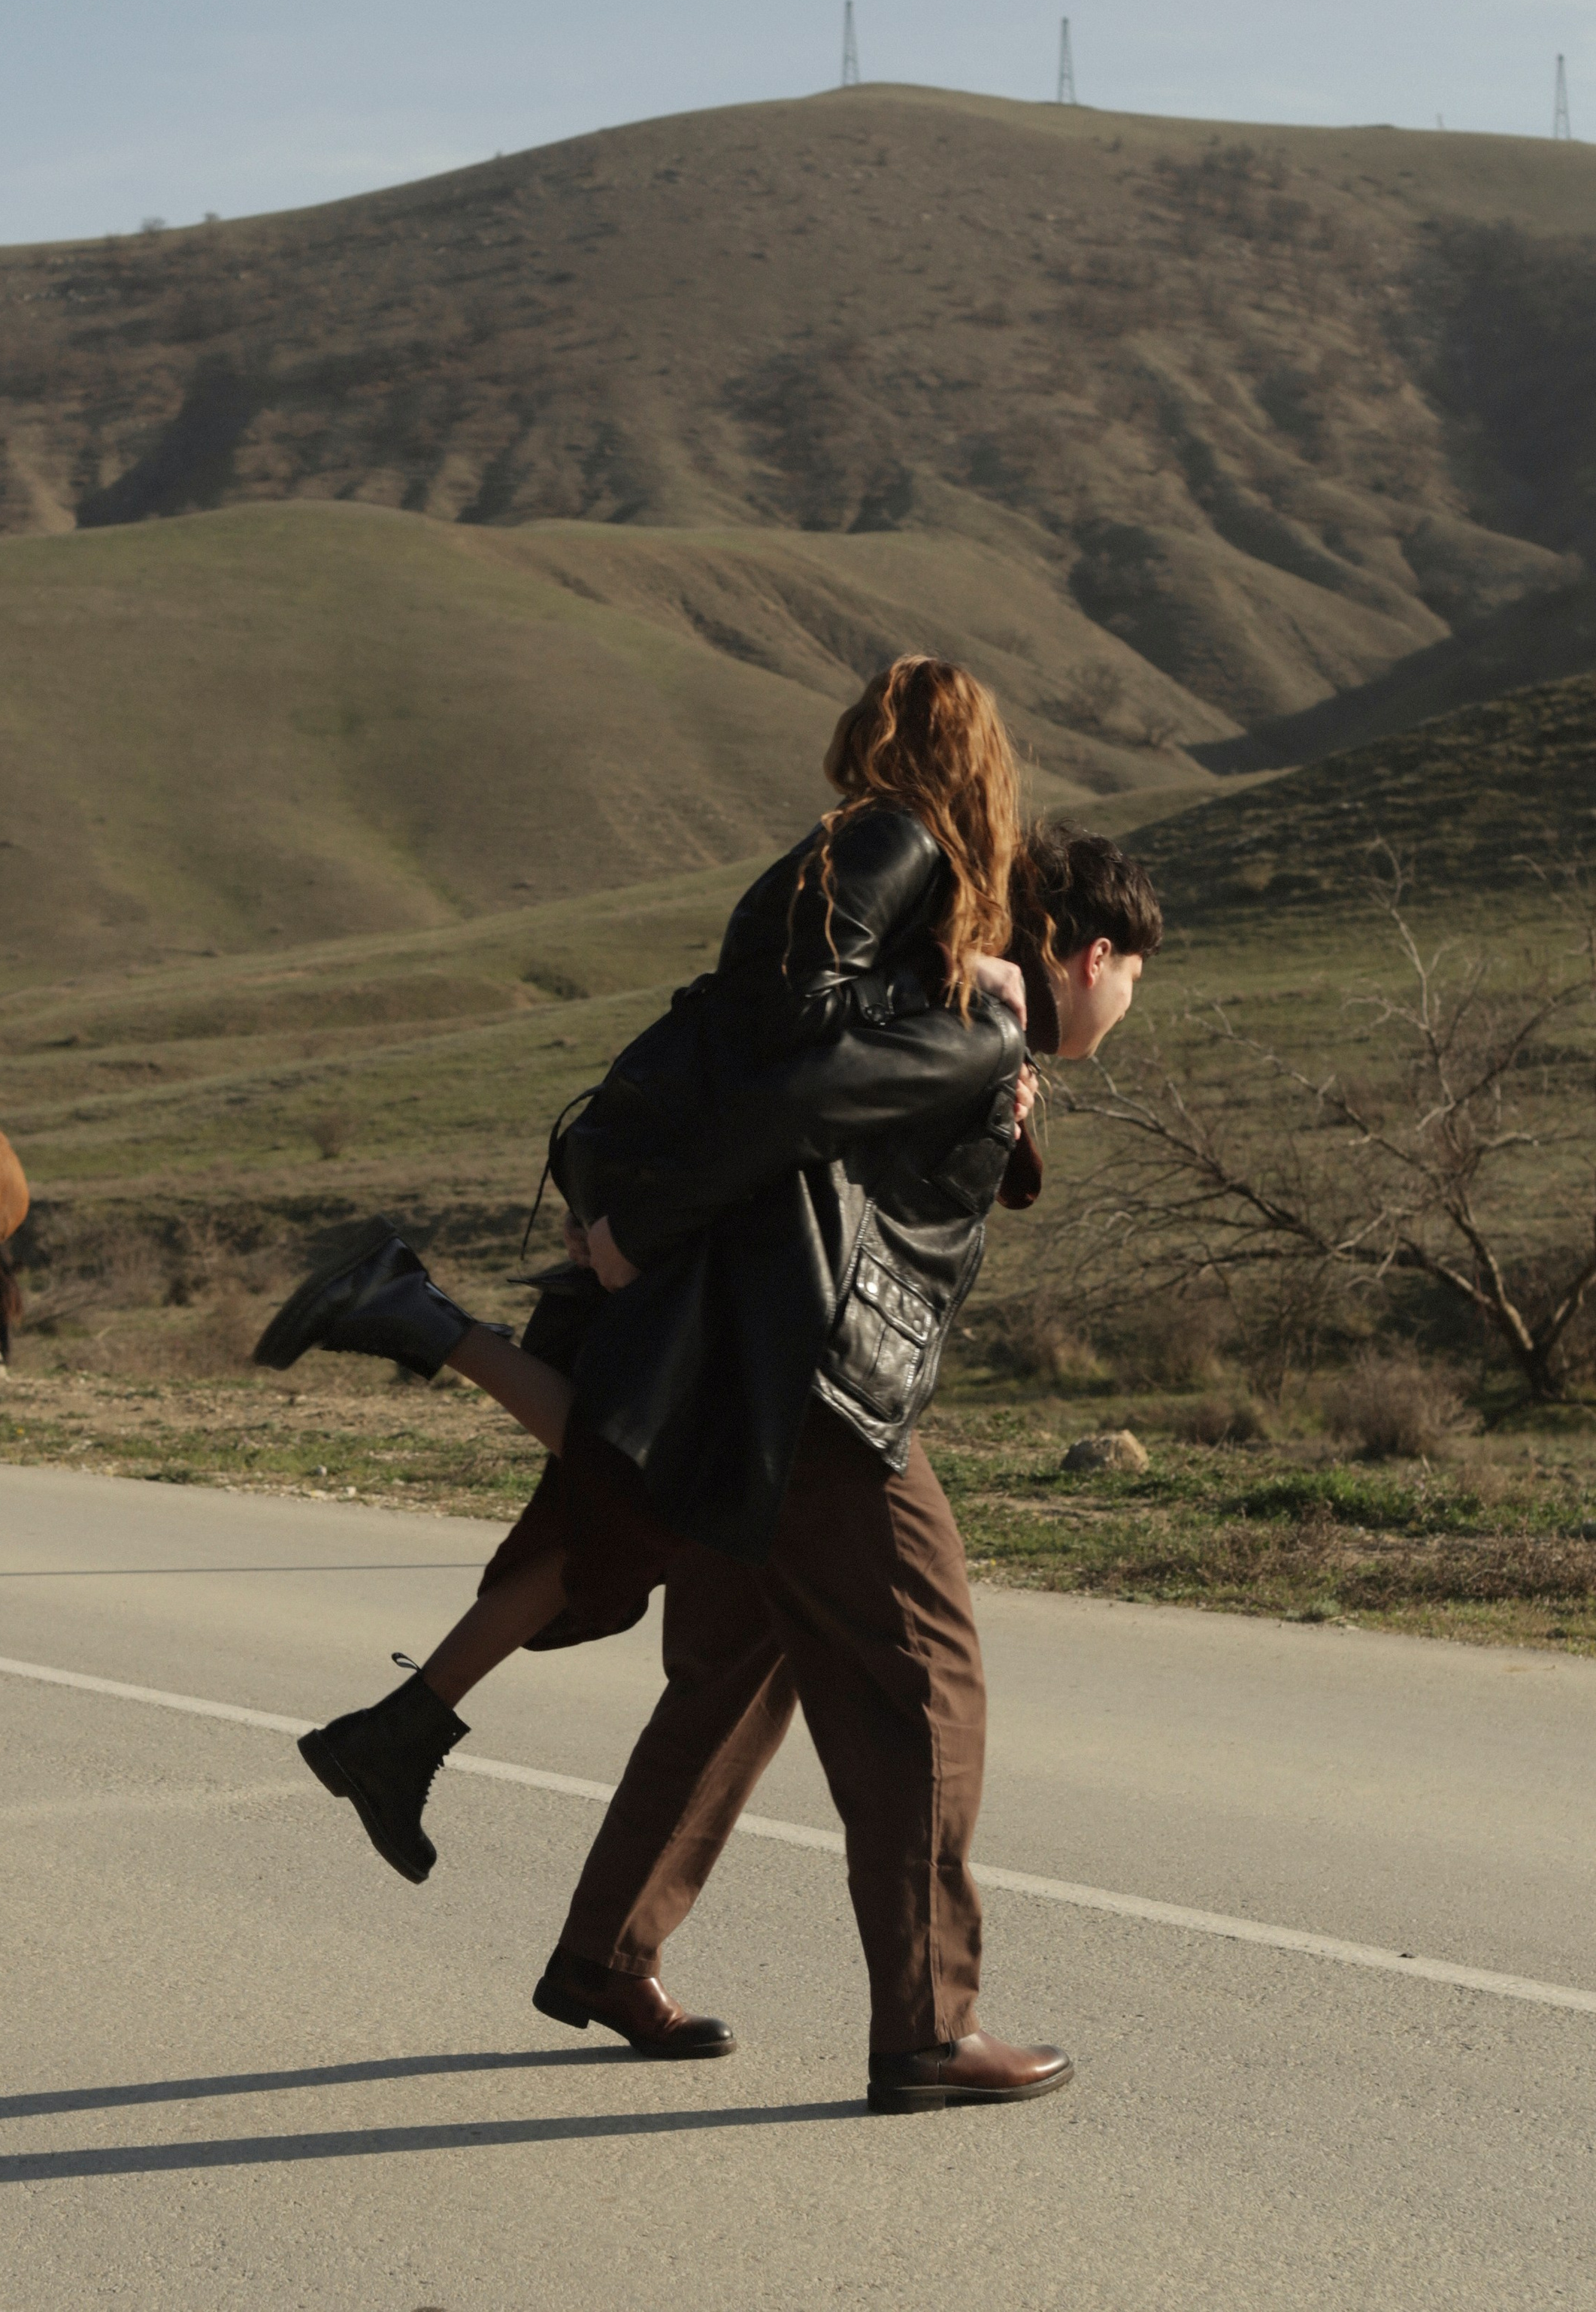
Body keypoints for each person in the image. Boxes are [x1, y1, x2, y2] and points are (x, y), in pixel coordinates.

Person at [253, 659, 1034, 1908]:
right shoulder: (895, 840)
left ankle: (398, 1733)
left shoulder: (867, 851)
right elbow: (797, 1038)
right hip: (707, 1200)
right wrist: (956, 1002)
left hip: (687, 1179)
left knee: (625, 1495)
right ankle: (411, 1315)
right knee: (642, 1477)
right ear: (977, 759)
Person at [538, 818, 1160, 2109]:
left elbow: (847, 1146)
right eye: (1136, 972)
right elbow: (805, 1113)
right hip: (818, 1388)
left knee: (733, 1671)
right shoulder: (969, 1017)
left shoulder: (936, 1005)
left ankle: (606, 1952)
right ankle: (928, 2030)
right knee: (928, 1682)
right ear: (1092, 952)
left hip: (743, 1375)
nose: (1132, 998)